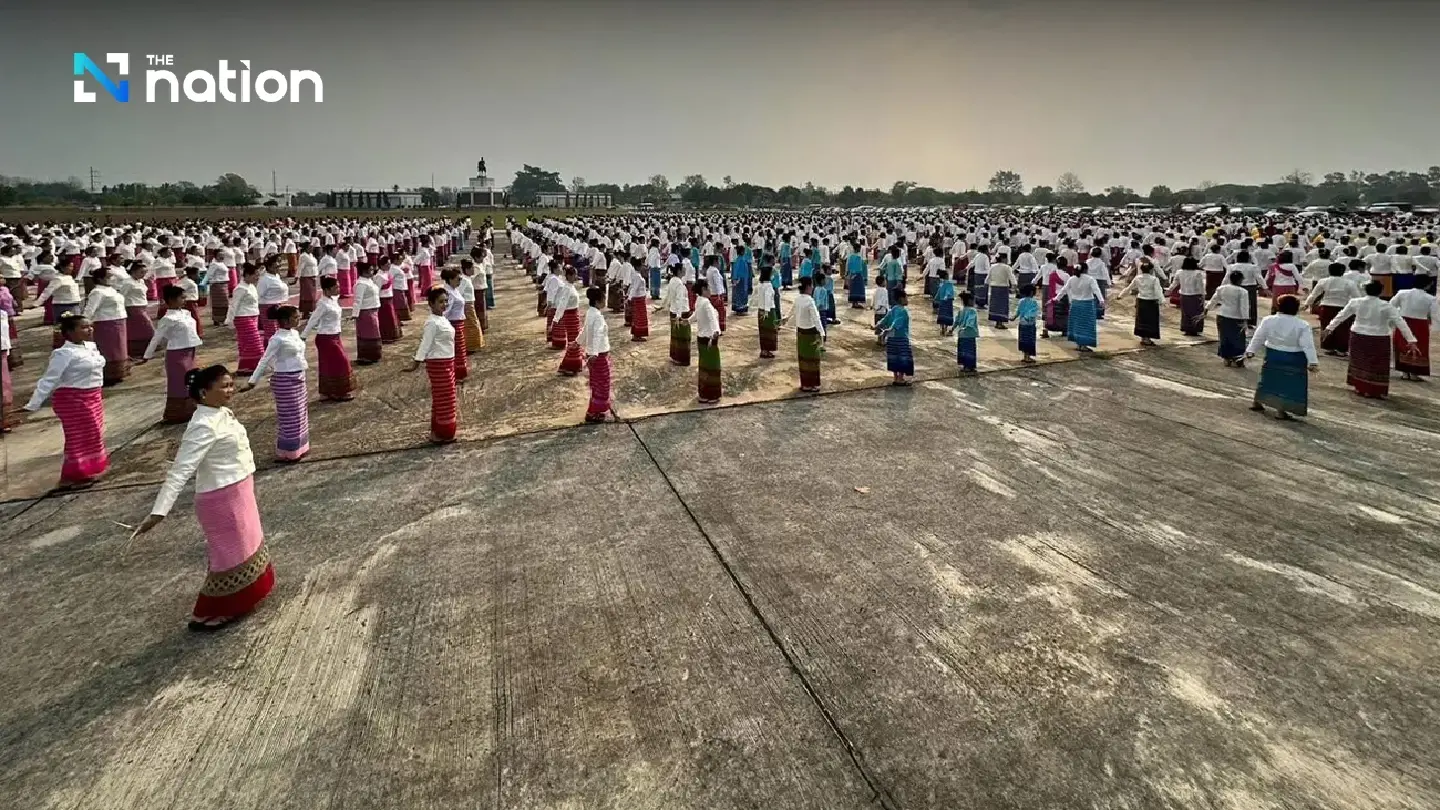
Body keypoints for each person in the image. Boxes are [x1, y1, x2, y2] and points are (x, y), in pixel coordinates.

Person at [132, 364, 274, 632]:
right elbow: (180, 470)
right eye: (224, 386)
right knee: (228, 557)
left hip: (239, 488)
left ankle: (243, 598)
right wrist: (159, 511)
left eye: (231, 385)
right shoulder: (202, 425)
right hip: (221, 499)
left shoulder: (221, 413)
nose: (230, 390)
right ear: (203, 393)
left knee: (246, 547)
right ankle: (211, 612)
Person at [24, 313, 109, 489]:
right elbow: (49, 379)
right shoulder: (63, 353)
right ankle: (73, 475)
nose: (89, 330)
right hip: (73, 400)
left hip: (93, 396)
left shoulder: (90, 346)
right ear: (70, 332)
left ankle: (88, 470)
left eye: (90, 326)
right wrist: (33, 404)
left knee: (93, 433)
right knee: (78, 436)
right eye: (83, 327)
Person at [1324, 281, 1418, 398]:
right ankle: (1374, 390)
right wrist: (1411, 340)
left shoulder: (1355, 302)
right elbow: (1400, 322)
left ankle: (1360, 387)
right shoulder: (1386, 306)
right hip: (1379, 337)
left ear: (1365, 290)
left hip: (1358, 335)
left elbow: (1341, 315)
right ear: (1381, 292)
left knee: (1360, 362)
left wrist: (1329, 328)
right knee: (1377, 364)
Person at [240, 305, 310, 462]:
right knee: (290, 416)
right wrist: (252, 381)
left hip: (299, 377)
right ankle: (288, 451)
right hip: (285, 380)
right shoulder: (277, 339)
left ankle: (300, 447)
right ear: (285, 320)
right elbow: (265, 360)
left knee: (301, 414)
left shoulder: (294, 333)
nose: (298, 319)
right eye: (295, 317)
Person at [1246, 295, 1320, 419]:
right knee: (1288, 384)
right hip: (1295, 357)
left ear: (1278, 306)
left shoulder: (1268, 320)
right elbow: (1307, 345)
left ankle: (1257, 402)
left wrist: (1251, 350)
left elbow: (1259, 336)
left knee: (1267, 379)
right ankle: (1281, 411)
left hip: (1273, 354)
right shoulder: (1302, 325)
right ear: (1296, 308)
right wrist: (1313, 362)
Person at [139, 285, 204, 424]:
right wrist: (147, 355)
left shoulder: (185, 313)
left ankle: (193, 408)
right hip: (177, 353)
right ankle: (178, 413)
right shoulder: (167, 319)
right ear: (172, 300)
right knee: (180, 383)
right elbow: (157, 338)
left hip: (190, 351)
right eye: (182, 298)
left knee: (192, 380)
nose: (185, 300)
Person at [408, 287, 459, 444]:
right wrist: (417, 362)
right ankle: (443, 432)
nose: (444, 304)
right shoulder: (431, 323)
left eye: (446, 301)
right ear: (431, 304)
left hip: (448, 361)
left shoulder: (443, 319)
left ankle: (437, 432)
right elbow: (425, 344)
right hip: (438, 364)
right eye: (440, 302)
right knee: (444, 398)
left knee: (443, 398)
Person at [302, 276, 357, 402]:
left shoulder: (333, 299)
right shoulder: (323, 304)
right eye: (335, 287)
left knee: (329, 365)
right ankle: (339, 392)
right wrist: (303, 336)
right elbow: (313, 320)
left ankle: (327, 392)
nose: (338, 289)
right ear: (327, 290)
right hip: (326, 338)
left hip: (335, 336)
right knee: (341, 362)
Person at [83, 267, 130, 385]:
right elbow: (90, 310)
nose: (112, 278)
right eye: (109, 276)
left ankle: (118, 372)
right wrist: (83, 324)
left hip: (119, 321)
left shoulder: (112, 289)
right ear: (100, 279)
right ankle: (107, 374)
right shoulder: (97, 292)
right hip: (106, 323)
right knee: (109, 349)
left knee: (119, 348)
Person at [1304, 263, 1364, 356]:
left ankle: (1329, 347)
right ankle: (1341, 349)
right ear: (1343, 272)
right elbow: (1357, 297)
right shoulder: (1349, 283)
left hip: (1326, 307)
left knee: (1326, 325)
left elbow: (1314, 295)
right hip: (1343, 307)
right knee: (1343, 329)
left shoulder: (1323, 281)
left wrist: (1307, 304)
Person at [1389, 284, 1440, 381]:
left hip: (1404, 321)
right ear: (1427, 286)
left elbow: (1391, 305)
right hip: (1421, 324)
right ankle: (1414, 374)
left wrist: (1396, 316)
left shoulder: (1402, 293)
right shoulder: (1430, 298)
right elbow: (1436, 315)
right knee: (1419, 346)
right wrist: (1436, 327)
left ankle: (1404, 373)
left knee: (1402, 344)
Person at [1206, 270, 1251, 367]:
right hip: (1237, 317)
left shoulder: (1221, 288)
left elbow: (1214, 299)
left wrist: (1207, 309)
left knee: (1224, 337)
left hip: (1222, 315)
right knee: (1238, 339)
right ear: (1240, 280)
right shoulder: (1243, 292)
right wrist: (1245, 319)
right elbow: (1244, 307)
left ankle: (1226, 358)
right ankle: (1237, 358)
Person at [580, 286, 612, 423]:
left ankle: (594, 410)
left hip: (593, 354)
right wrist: (594, 353)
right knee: (602, 384)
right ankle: (594, 412)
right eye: (604, 299)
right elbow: (597, 334)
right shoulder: (597, 317)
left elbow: (585, 330)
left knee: (596, 383)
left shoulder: (590, 313)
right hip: (598, 356)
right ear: (599, 301)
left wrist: (578, 342)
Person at [689, 278, 724, 404]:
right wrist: (716, 332)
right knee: (713, 367)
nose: (710, 290)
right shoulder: (706, 304)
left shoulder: (699, 301)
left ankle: (703, 394)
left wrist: (688, 321)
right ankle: (712, 395)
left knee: (704, 366)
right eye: (708, 288)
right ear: (704, 290)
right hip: (710, 338)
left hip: (701, 338)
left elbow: (696, 315)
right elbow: (712, 319)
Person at [1115, 259, 1164, 346]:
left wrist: (1120, 295)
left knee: (1142, 320)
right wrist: (1162, 301)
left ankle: (1143, 338)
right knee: (1150, 321)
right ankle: (1147, 339)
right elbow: (1158, 291)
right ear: (1151, 270)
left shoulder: (1137, 278)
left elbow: (1129, 288)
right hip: (1151, 302)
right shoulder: (1154, 279)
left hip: (1141, 301)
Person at [227, 264, 264, 375]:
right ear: (247, 275)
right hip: (243, 318)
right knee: (255, 343)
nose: (257, 278)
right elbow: (234, 305)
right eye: (255, 275)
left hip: (253, 316)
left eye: (258, 275)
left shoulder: (251, 286)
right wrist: (230, 320)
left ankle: (246, 367)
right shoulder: (240, 288)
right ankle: (249, 367)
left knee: (247, 344)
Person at [790, 277, 825, 392]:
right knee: (813, 360)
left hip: (800, 332)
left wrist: (785, 319)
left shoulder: (798, 299)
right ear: (808, 287)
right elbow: (816, 318)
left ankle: (805, 384)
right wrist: (822, 332)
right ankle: (813, 384)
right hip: (811, 333)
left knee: (803, 359)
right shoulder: (810, 301)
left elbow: (792, 312)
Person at [37, 263, 83, 348]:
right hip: (62, 305)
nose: (71, 268)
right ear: (62, 267)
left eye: (72, 266)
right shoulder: (58, 279)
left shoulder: (70, 277)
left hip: (74, 304)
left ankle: (75, 342)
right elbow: (48, 291)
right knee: (62, 326)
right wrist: (37, 303)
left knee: (76, 325)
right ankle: (61, 344)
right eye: (69, 266)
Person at [1058, 267, 1102, 352]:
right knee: (1086, 325)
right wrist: (1101, 300)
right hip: (1087, 305)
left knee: (1077, 325)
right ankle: (1084, 345)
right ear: (1085, 269)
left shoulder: (1072, 279)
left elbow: (1064, 289)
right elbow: (1096, 290)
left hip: (1075, 304)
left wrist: (1057, 298)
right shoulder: (1090, 279)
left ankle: (1079, 344)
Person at [876, 288, 914, 385]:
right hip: (901, 338)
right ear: (902, 299)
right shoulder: (903, 311)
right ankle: (900, 379)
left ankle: (895, 378)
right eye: (906, 298)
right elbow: (897, 322)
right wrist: (889, 329)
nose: (907, 300)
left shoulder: (893, 309)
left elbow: (885, 319)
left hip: (891, 339)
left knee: (894, 358)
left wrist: (878, 325)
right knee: (902, 358)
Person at [440, 268, 470, 384]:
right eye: (458, 279)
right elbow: (445, 311)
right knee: (455, 350)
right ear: (450, 279)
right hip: (453, 324)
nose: (460, 281)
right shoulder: (449, 293)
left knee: (459, 349)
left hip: (458, 323)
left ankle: (459, 373)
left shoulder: (454, 290)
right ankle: (455, 375)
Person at [350, 262, 383, 364]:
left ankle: (373, 355)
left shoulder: (369, 281)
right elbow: (357, 300)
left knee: (373, 333)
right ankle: (366, 357)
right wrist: (355, 314)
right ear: (365, 272)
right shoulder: (361, 284)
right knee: (368, 334)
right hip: (366, 312)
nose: (373, 272)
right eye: (371, 270)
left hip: (373, 310)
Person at [554, 267, 585, 376]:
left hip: (574, 315)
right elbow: (562, 304)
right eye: (574, 275)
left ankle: (570, 364)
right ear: (569, 276)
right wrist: (557, 318)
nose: (575, 277)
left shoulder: (571, 287)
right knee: (573, 340)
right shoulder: (566, 288)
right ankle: (569, 365)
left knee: (575, 340)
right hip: (570, 316)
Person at [660, 264, 692, 366]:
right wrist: (679, 315)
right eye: (683, 269)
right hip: (681, 312)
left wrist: (663, 305)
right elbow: (679, 300)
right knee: (683, 337)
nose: (685, 270)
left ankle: (675, 356)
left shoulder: (672, 281)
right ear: (679, 271)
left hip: (673, 311)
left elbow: (668, 295)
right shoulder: (679, 284)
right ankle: (681, 358)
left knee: (675, 336)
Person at [121, 261, 153, 360]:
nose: (143, 274)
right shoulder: (128, 282)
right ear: (134, 272)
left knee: (138, 330)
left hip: (142, 306)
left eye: (144, 272)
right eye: (141, 272)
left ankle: (142, 350)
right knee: (147, 328)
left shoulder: (141, 281)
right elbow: (122, 295)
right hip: (133, 307)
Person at [256, 257, 290, 344]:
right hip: (269, 308)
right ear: (270, 267)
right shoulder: (264, 279)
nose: (278, 267)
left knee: (282, 331)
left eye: (279, 265)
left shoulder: (276, 276)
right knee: (272, 333)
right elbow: (259, 295)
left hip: (280, 306)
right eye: (276, 266)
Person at [756, 265, 780, 359]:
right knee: (769, 331)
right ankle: (767, 351)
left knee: (763, 331)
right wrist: (766, 312)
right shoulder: (768, 285)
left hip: (760, 310)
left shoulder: (760, 284)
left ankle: (763, 350)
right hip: (769, 311)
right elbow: (767, 299)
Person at [956, 291, 980, 371]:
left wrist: (952, 329)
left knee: (963, 350)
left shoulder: (961, 310)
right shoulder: (972, 310)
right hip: (969, 334)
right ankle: (969, 366)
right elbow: (970, 321)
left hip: (961, 334)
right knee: (970, 350)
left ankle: (966, 366)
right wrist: (967, 327)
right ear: (970, 301)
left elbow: (957, 320)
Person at [1016, 283, 1040, 363]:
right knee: (1029, 340)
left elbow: (1018, 311)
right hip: (1030, 324)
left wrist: (1014, 317)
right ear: (1032, 293)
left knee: (1023, 339)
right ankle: (1027, 357)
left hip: (1022, 323)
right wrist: (1028, 317)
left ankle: (1025, 356)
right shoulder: (1034, 302)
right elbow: (1033, 313)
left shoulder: (1021, 301)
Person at [628, 256, 650, 341]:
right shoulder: (637, 276)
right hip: (638, 299)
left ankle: (636, 334)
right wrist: (630, 298)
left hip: (638, 298)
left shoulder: (635, 274)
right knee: (640, 317)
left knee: (637, 316)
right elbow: (634, 288)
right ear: (638, 266)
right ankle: (637, 335)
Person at [934, 270, 956, 335]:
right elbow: (948, 291)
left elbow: (939, 292)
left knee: (942, 315)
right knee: (947, 315)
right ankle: (945, 328)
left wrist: (936, 299)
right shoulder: (949, 283)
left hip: (942, 301)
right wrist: (946, 296)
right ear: (946, 276)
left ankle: (942, 328)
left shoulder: (941, 283)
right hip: (948, 301)